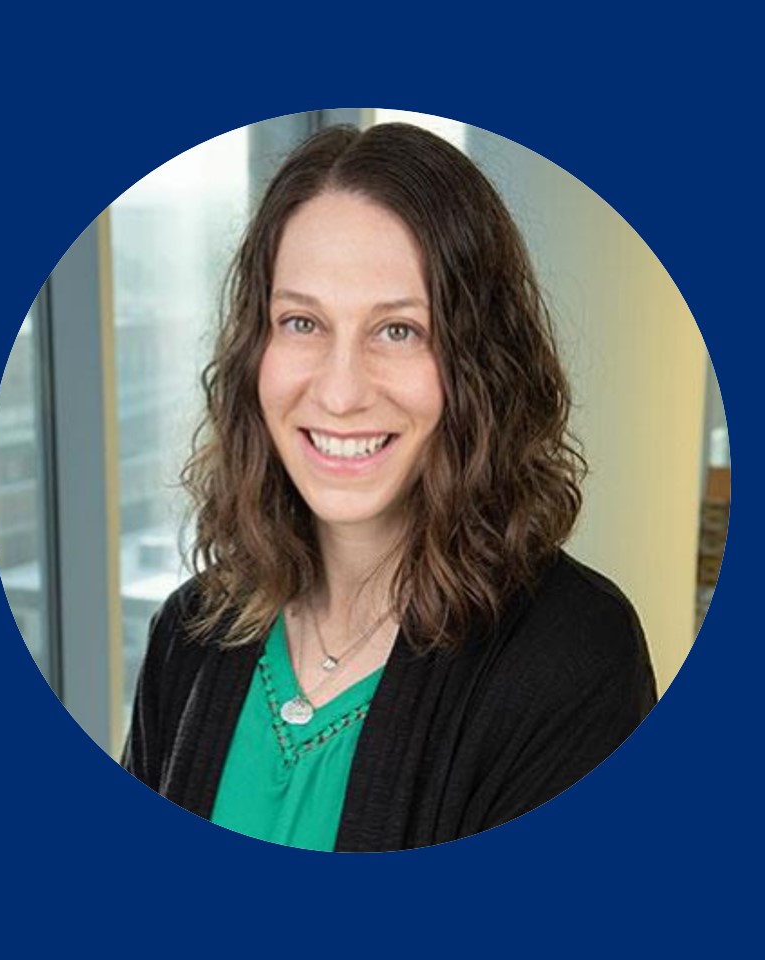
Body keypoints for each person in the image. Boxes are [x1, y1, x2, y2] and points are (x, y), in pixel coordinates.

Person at [122, 122, 656, 852]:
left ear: (478, 363)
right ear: (255, 348)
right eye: (302, 322)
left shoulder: (574, 656)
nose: (340, 393)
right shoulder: (190, 632)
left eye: (398, 330)